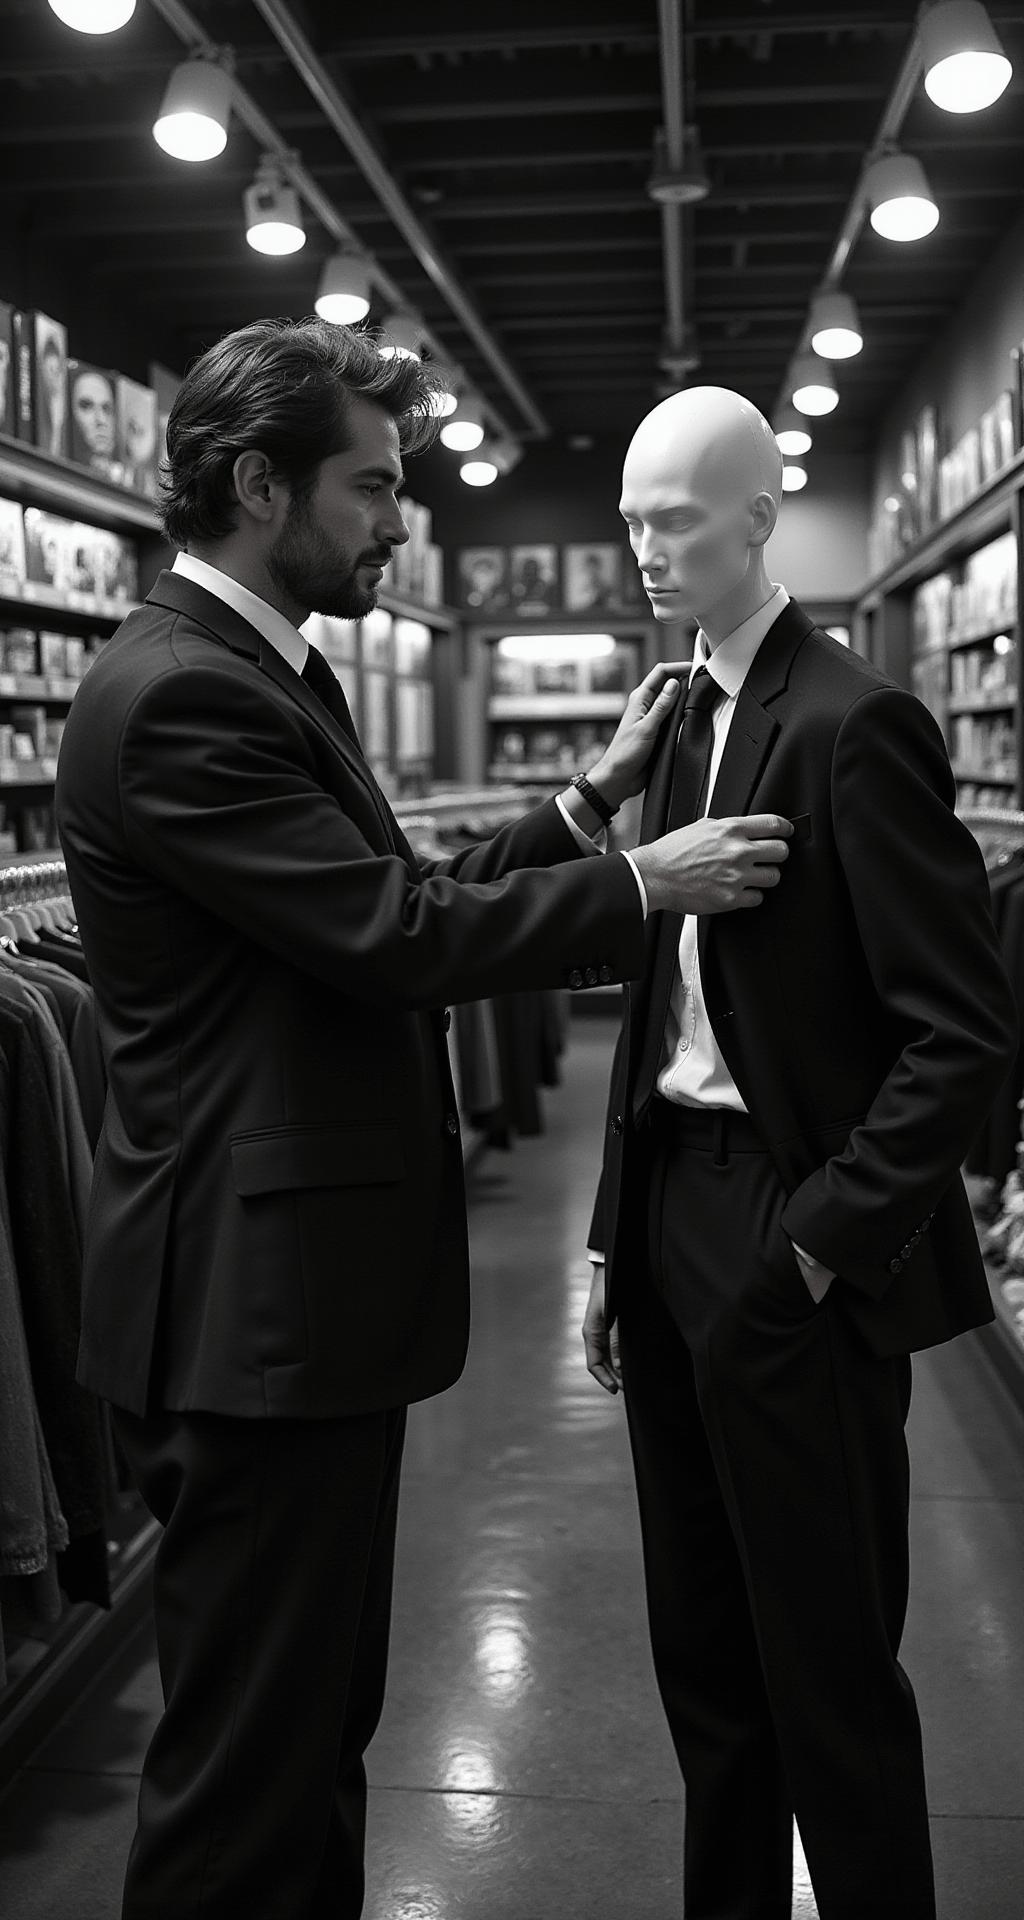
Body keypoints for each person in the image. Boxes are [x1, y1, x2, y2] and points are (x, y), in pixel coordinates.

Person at [55, 322, 792, 1920]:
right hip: (250, 1321)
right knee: (249, 1772)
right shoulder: (184, 695)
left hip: (286, 1311)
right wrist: (640, 883)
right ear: (260, 485)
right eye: (374, 487)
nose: (400, 520)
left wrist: (584, 809)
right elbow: (389, 938)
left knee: (310, 1729)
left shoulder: (255, 672)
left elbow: (383, 896)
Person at [582, 385, 1017, 1920]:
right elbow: (660, 998)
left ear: (761, 521)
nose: (645, 549)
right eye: (630, 521)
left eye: (675, 519)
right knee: (703, 1661)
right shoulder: (677, 716)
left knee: (827, 1668)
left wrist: (823, 1240)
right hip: (668, 1214)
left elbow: (962, 1029)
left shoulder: (853, 721)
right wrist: (612, 1235)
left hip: (785, 1224)